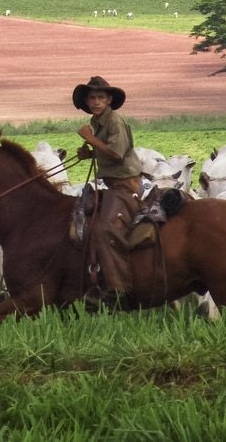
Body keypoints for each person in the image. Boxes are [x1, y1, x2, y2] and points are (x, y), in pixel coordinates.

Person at [73, 75, 143, 307]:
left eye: (100, 97)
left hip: (126, 186)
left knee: (103, 229)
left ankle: (116, 289)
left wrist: (91, 140)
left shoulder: (114, 122)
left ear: (109, 99)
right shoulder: (98, 122)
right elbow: (106, 152)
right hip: (113, 185)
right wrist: (90, 153)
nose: (95, 102)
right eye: (91, 98)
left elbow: (117, 153)